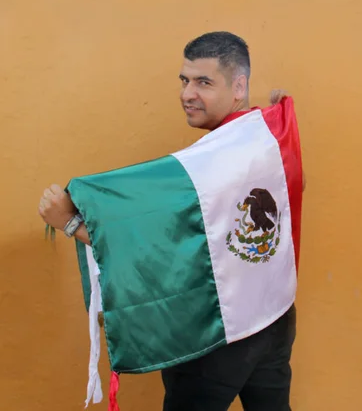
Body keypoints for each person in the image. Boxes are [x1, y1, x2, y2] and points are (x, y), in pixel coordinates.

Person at [39, 31, 305, 411]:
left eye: (204, 82)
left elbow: (158, 248)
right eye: (184, 80)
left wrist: (69, 223)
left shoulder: (206, 165)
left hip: (217, 334)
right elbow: (294, 184)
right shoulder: (263, 140)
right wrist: (280, 127)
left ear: (239, 86)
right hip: (275, 317)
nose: (187, 93)